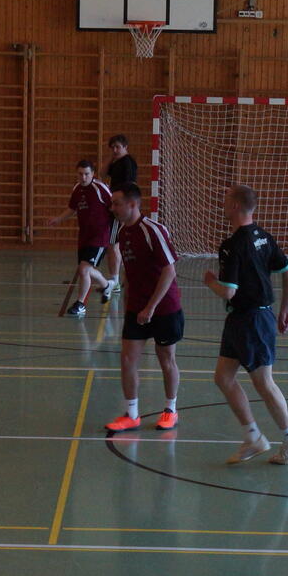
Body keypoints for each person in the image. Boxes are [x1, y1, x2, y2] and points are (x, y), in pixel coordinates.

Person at [203, 185, 288, 465]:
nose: (223, 203)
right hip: (242, 319)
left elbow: (228, 291)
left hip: (252, 320)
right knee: (223, 378)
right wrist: (285, 308)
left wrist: (210, 282)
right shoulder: (263, 237)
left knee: (264, 383)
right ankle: (253, 437)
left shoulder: (232, 245)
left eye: (226, 200)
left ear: (236, 206)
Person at [104, 183, 183, 432]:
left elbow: (169, 271)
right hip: (136, 307)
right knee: (127, 359)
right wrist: (128, 299)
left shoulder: (152, 230)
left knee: (166, 359)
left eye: (116, 203)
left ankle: (170, 409)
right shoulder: (123, 232)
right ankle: (132, 414)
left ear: (132, 204)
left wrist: (151, 307)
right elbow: (130, 270)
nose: (112, 208)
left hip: (164, 307)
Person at [45, 160, 113, 318]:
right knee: (86, 270)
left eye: (86, 174)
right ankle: (106, 285)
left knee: (83, 269)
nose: (83, 177)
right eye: (80, 174)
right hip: (84, 236)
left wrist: (118, 228)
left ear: (93, 174)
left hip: (100, 236)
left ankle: (80, 304)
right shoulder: (77, 189)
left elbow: (114, 206)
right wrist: (58, 219)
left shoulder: (100, 188)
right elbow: (72, 208)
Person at [100, 134, 139, 295]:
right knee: (115, 244)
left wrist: (122, 207)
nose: (115, 150)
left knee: (113, 244)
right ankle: (117, 279)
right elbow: (102, 174)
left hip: (120, 209)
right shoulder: (116, 162)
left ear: (125, 147)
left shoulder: (128, 163)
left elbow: (130, 186)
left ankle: (115, 282)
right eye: (112, 147)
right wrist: (111, 157)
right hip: (116, 206)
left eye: (118, 147)